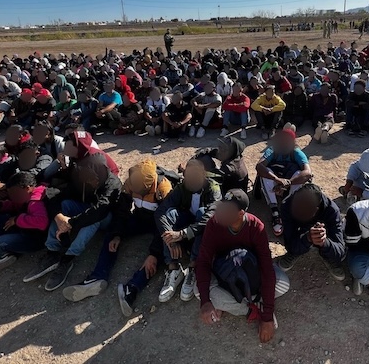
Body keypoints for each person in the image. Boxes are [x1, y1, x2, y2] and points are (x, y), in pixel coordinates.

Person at [62, 159, 173, 314]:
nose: (135, 188)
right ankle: (98, 276)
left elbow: (166, 222)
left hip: (160, 223)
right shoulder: (130, 183)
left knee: (158, 254)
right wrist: (117, 234)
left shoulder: (164, 189)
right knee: (112, 234)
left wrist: (154, 253)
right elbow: (122, 210)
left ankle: (132, 289)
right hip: (140, 218)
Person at [23, 132, 121, 291]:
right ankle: (52, 251)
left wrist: (71, 223)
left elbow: (100, 209)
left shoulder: (112, 184)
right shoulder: (79, 172)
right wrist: (59, 217)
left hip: (104, 218)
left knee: (94, 217)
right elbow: (56, 194)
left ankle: (68, 257)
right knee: (65, 204)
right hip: (86, 208)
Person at [196, 189, 290, 343]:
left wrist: (267, 317)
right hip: (225, 275)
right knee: (199, 292)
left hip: (252, 274)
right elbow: (203, 261)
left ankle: (241, 303)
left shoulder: (256, 226)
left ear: (240, 214)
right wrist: (205, 301)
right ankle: (251, 308)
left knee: (283, 283)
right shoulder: (214, 223)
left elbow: (266, 268)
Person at [155, 159, 221, 303]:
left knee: (203, 213)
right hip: (186, 223)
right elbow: (160, 211)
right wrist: (170, 241)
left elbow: (211, 217)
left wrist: (182, 234)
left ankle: (193, 267)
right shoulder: (181, 187)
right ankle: (173, 268)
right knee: (170, 213)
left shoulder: (213, 188)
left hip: (201, 231)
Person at [277, 183, 346, 281]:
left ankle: (327, 255)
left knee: (334, 255)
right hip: (301, 233)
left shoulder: (332, 211)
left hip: (324, 233)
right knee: (293, 247)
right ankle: (295, 253)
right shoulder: (287, 205)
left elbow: (340, 251)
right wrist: (307, 238)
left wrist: (324, 242)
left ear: (315, 210)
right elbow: (289, 243)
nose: (297, 212)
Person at [255, 129, 312, 235]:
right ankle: (275, 212)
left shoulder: (297, 153)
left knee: (300, 173)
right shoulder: (272, 150)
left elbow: (307, 172)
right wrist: (276, 179)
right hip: (275, 182)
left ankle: (288, 205)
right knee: (265, 174)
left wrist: (288, 183)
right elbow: (259, 166)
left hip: (289, 184)